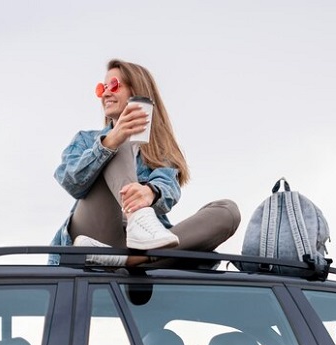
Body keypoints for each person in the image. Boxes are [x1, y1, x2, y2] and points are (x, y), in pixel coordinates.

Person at [51, 59, 240, 266]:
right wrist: (110, 141)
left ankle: (133, 260)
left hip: (144, 244)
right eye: (101, 88)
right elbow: (71, 182)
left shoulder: (160, 149)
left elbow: (168, 189)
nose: (105, 94)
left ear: (136, 90)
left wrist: (150, 192)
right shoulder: (86, 140)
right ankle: (141, 236)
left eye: (114, 85)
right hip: (93, 238)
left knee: (227, 212)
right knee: (117, 140)